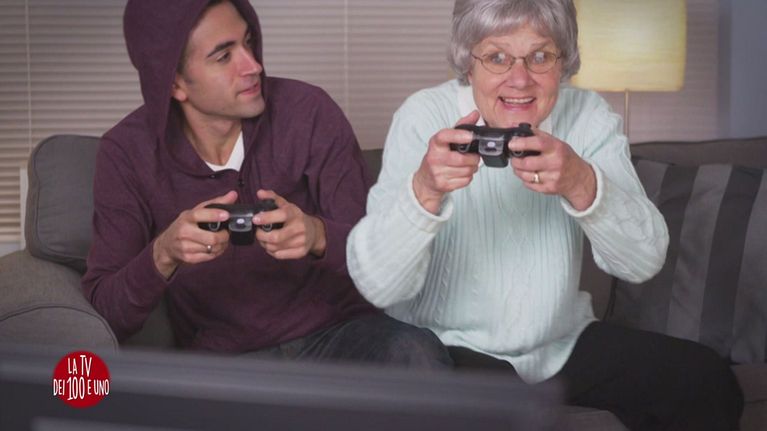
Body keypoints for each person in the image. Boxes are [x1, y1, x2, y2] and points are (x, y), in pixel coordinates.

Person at [347, 0, 743, 428]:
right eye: (497, 57)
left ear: (564, 59)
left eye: (540, 56)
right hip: (445, 344)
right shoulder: (423, 116)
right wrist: (425, 191)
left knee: (706, 381)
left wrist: (582, 183)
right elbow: (378, 287)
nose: (520, 79)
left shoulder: (588, 115)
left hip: (559, 343)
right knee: (509, 408)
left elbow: (642, 261)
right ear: (468, 63)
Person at [81, 0, 451, 369]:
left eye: (248, 42)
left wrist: (317, 235)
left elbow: (383, 260)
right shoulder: (127, 153)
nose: (253, 65)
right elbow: (107, 315)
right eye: (224, 56)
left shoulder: (308, 111)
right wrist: (164, 253)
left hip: (339, 336)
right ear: (174, 82)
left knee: (417, 351)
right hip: (225, 362)